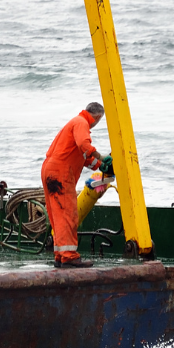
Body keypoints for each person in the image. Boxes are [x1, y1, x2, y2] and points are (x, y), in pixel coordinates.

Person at [42, 101, 104, 267]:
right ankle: (69, 257)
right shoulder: (81, 123)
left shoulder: (74, 123)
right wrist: (103, 157)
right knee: (68, 213)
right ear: (97, 117)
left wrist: (100, 166)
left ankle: (60, 255)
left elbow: (84, 157)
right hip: (61, 173)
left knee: (57, 214)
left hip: (51, 170)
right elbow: (85, 146)